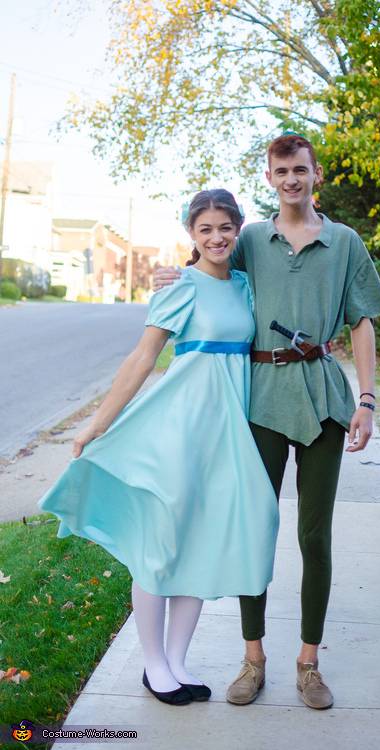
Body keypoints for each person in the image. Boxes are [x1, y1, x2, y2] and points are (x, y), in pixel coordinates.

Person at [153, 133, 380, 710]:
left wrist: (366, 399)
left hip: (324, 399)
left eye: (300, 170)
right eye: (281, 170)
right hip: (260, 399)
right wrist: (173, 277)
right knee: (254, 526)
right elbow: (211, 266)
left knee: (314, 534)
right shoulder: (254, 237)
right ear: (269, 177)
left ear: (316, 174)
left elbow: (362, 323)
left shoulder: (345, 241)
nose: (291, 179)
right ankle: (253, 657)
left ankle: (309, 663)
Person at [38, 189, 279, 707]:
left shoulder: (245, 287)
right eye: (205, 229)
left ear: (239, 230)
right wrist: (97, 425)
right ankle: (153, 665)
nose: (217, 237)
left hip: (228, 433)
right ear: (191, 235)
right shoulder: (179, 286)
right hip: (179, 429)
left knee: (197, 542)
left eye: (225, 228)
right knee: (161, 547)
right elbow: (142, 359)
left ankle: (177, 662)